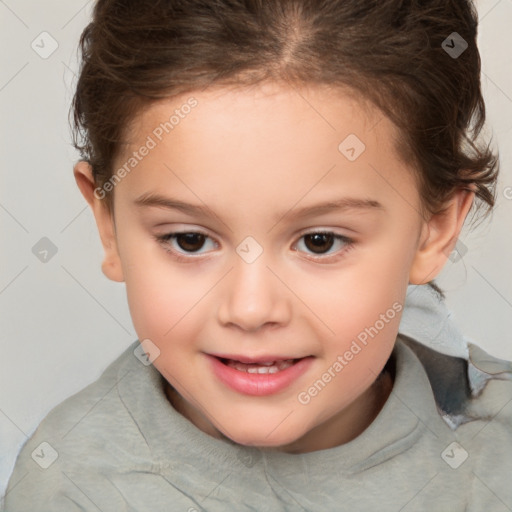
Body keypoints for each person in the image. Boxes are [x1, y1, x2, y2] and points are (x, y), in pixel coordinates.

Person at [3, 0, 511, 510]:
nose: (249, 309)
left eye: (320, 242)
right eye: (190, 240)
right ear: (108, 223)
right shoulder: (70, 486)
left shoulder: (495, 461)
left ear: (434, 228)